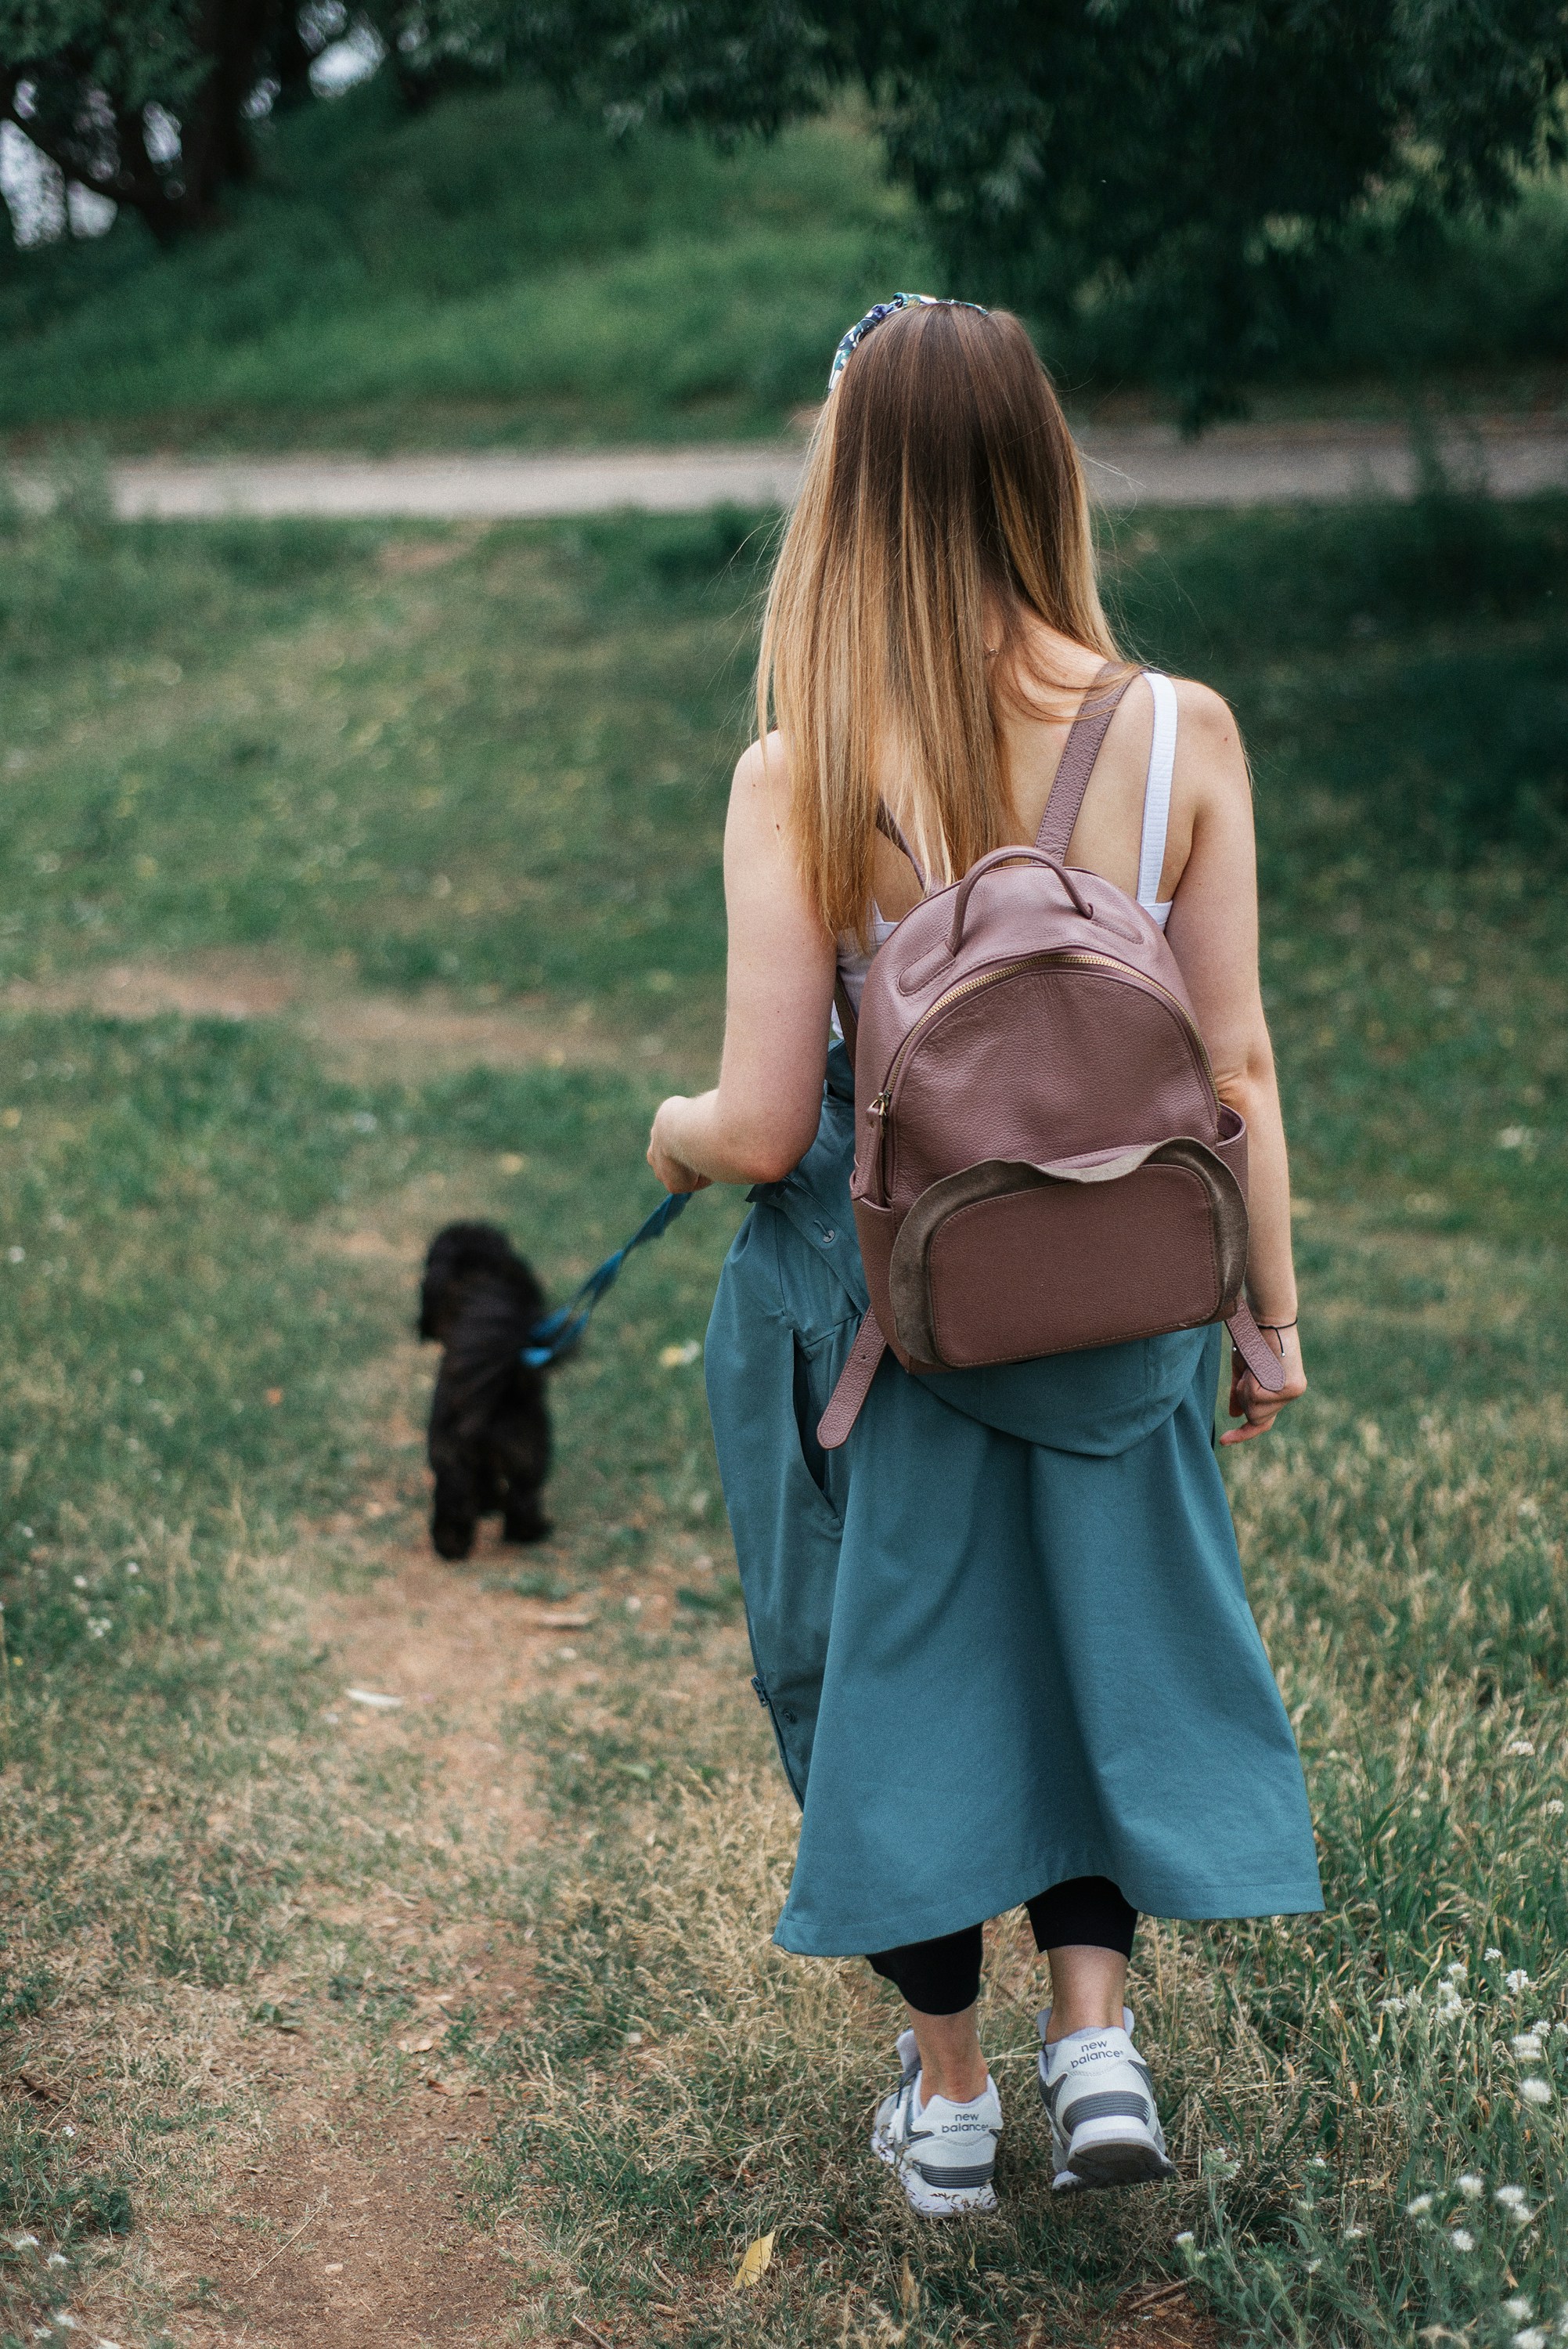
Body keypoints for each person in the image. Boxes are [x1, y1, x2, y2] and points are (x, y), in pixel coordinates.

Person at [646, 295, 1319, 2219]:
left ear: (846, 487)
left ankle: (949, 2102)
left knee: (886, 1680)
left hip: (895, 1323)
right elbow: (1239, 1059)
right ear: (1042, 467)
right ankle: (1093, 2045)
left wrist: (671, 1138)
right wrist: (1263, 1320)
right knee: (1099, 1640)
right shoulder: (1178, 728)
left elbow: (765, 1126)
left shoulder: (808, 764)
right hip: (1120, 1307)